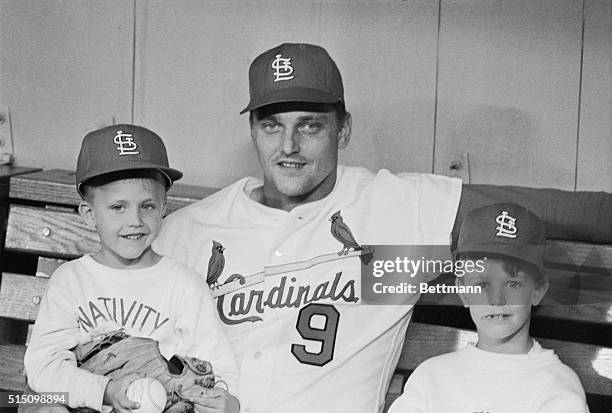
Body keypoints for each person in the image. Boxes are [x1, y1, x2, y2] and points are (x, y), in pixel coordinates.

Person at [153, 43, 610, 413]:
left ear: (344, 130)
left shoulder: (395, 209)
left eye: (310, 125)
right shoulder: (189, 230)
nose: (288, 145)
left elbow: (553, 211)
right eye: (271, 126)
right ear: (253, 130)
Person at [24, 125, 239, 413]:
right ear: (90, 215)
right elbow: (44, 366)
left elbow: (218, 365)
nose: (135, 220)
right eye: (118, 207)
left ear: (163, 208)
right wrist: (105, 392)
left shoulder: (184, 284)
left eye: (147, 206)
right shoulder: (70, 281)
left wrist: (227, 402)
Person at [388, 203, 589, 413]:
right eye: (481, 284)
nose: (496, 299)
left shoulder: (556, 385)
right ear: (463, 291)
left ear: (537, 290)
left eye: (512, 283)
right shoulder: (431, 377)